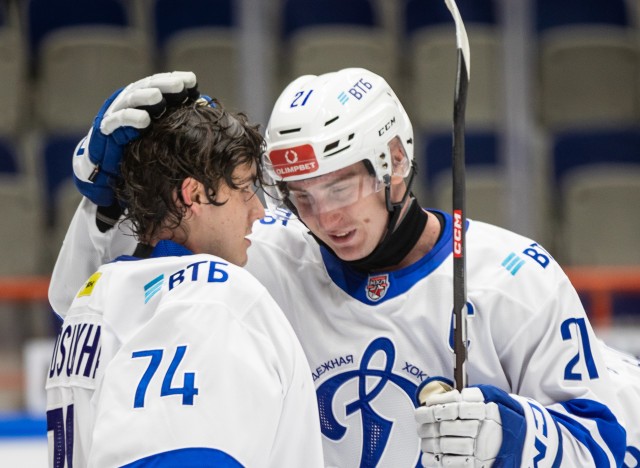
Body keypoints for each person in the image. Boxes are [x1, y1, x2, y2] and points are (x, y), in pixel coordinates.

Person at [49, 68, 640, 467]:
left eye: (339, 187)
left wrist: (509, 434)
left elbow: (612, 448)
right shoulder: (267, 252)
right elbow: (90, 304)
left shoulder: (513, 278)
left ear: (396, 161)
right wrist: (106, 207)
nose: (322, 217)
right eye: (301, 195)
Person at [45, 72, 324, 468]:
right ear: (193, 194)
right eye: (244, 188)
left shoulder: (91, 298)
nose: (259, 211)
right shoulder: (209, 296)